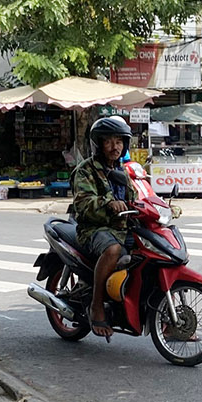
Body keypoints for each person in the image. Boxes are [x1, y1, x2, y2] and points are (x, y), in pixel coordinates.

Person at [71, 116, 134, 340]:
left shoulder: (122, 170)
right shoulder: (85, 170)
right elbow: (83, 204)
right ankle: (96, 306)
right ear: (99, 144)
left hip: (122, 228)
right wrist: (108, 204)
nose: (115, 147)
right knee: (113, 250)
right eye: (109, 141)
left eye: (119, 141)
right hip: (93, 229)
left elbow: (136, 197)